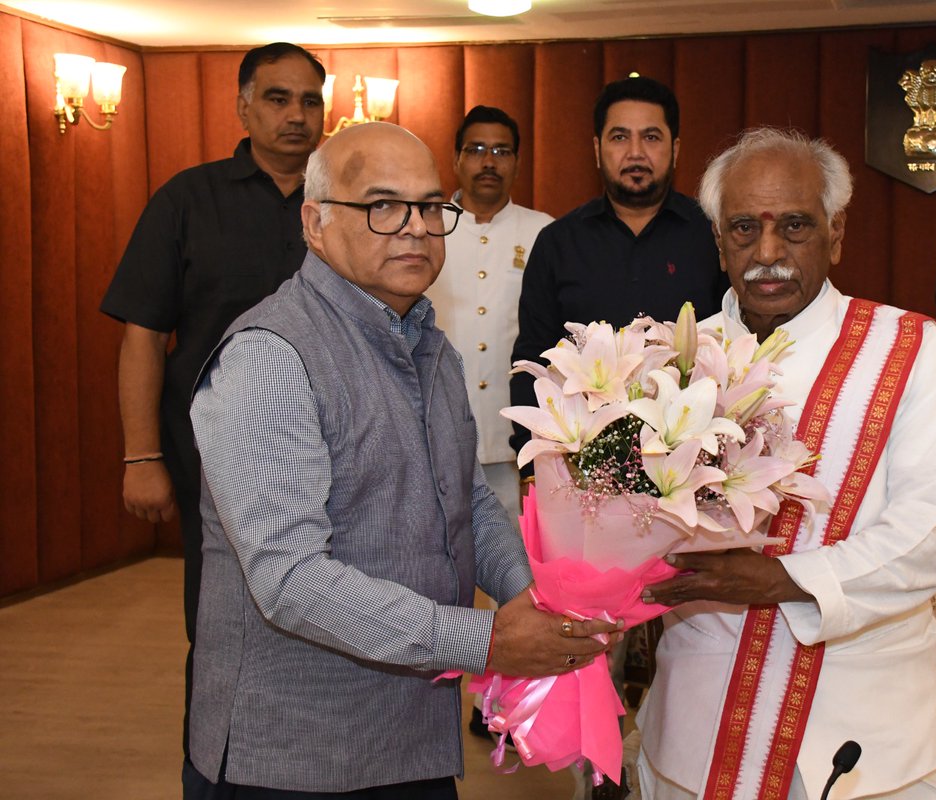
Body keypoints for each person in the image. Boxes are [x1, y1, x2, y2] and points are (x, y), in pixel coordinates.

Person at [185, 122, 621, 798]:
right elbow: (290, 578)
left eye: (429, 207)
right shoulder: (271, 356)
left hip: (414, 739)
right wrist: (487, 643)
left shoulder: (430, 348)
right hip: (294, 755)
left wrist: (538, 597)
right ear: (316, 221)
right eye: (383, 206)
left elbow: (468, 500)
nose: (416, 228)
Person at [638, 127, 936, 800]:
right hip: (700, 731)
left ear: (836, 231)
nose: (768, 254)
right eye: (743, 228)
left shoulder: (909, 350)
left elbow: (929, 534)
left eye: (794, 226)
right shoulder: (664, 361)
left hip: (877, 735)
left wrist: (776, 580)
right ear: (718, 239)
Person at [99, 41, 325, 758]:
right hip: (215, 467)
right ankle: (218, 767)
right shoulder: (187, 200)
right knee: (222, 622)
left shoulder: (345, 202)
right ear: (243, 106)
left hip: (332, 456)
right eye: (278, 98)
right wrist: (142, 456)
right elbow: (141, 335)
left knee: (327, 617)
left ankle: (310, 761)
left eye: (310, 100)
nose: (296, 115)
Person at [509, 76, 727, 474]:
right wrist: (532, 466)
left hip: (696, 462)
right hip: (582, 465)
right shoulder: (558, 243)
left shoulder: (713, 236)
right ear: (597, 149)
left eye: (652, 137)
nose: (636, 152)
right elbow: (532, 360)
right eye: (620, 137)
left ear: (676, 149)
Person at [425, 105, 553, 524]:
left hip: (513, 432)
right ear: (457, 159)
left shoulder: (544, 233)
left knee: (514, 563)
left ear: (517, 161)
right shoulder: (427, 227)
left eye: (501, 151)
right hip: (433, 429)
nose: (488, 161)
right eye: (476, 149)